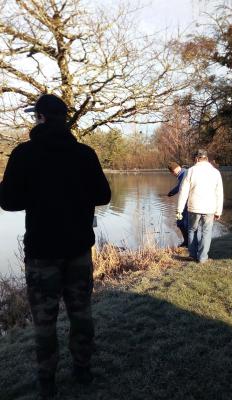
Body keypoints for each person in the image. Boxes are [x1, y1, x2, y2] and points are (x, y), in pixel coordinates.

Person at [0, 94, 111, 399]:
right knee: (82, 313)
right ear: (65, 119)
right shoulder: (85, 154)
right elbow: (103, 196)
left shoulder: (23, 154)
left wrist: (36, 196)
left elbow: (8, 201)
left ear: (41, 118)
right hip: (78, 249)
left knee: (44, 322)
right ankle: (83, 370)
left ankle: (47, 382)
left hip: (42, 252)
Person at [177, 149, 223, 263]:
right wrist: (218, 211)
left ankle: (193, 255)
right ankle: (202, 258)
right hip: (210, 208)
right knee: (206, 232)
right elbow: (219, 193)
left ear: (197, 158)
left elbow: (183, 192)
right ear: (207, 159)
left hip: (194, 207)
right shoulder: (215, 172)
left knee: (192, 230)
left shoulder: (190, 171)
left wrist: (179, 209)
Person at [167, 161, 188, 247]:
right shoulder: (184, 172)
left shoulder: (183, 174)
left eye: (172, 173)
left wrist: (172, 192)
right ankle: (188, 242)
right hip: (188, 201)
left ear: (173, 171)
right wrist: (172, 192)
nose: (173, 175)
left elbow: (181, 188)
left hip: (187, 202)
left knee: (181, 222)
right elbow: (180, 186)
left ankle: (188, 242)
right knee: (183, 222)